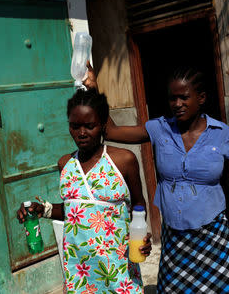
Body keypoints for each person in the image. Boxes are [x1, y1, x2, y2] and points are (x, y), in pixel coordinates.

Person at [85, 64, 229, 293]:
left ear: (201, 98)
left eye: (184, 97)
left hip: (212, 236)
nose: (177, 104)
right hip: (175, 238)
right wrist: (93, 90)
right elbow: (111, 132)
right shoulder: (160, 128)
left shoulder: (221, 133)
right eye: (172, 98)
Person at [17, 89, 152, 293]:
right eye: (74, 126)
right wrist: (42, 209)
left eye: (89, 126)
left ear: (103, 125)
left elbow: (138, 204)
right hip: (79, 270)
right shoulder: (66, 164)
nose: (81, 133)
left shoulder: (123, 160)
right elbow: (75, 211)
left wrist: (140, 236)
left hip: (118, 268)